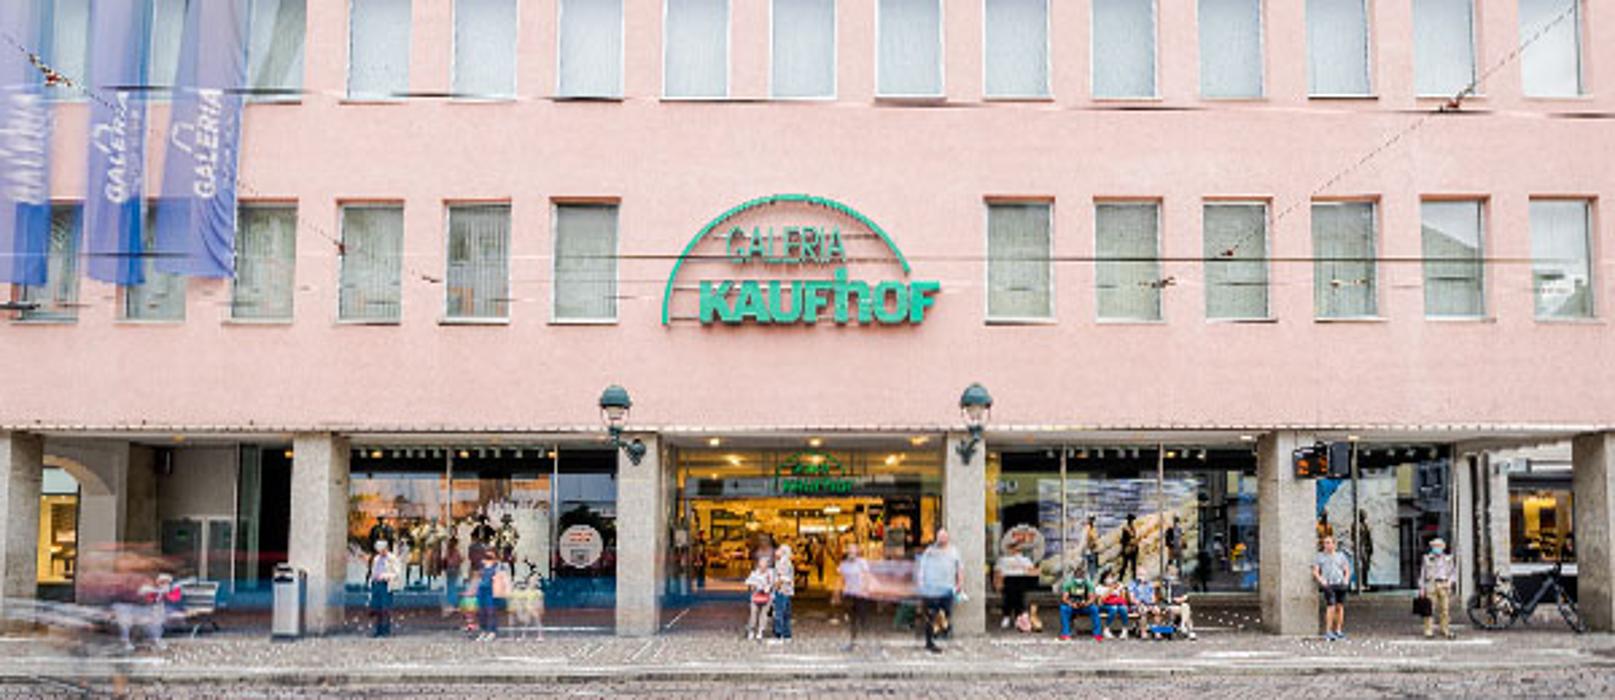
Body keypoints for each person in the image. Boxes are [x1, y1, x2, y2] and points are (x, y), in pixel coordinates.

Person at [915, 528, 963, 653]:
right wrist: (921, 583)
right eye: (940, 537)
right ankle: (930, 641)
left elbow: (959, 568)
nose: (942, 539)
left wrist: (959, 583)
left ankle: (940, 632)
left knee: (945, 613)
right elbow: (922, 568)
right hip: (932, 589)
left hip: (947, 588)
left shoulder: (954, 551)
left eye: (944, 537)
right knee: (931, 614)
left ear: (948, 537)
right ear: (936, 537)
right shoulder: (930, 551)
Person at [1313, 535, 1352, 641]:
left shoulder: (1340, 556)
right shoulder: (1320, 556)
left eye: (1329, 543)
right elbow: (1316, 571)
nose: (1327, 545)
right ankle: (1328, 631)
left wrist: (1346, 580)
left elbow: (1346, 569)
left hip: (1340, 583)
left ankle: (1338, 630)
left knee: (1340, 607)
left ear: (1334, 544)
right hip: (1329, 584)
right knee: (1331, 606)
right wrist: (1322, 580)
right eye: (1325, 543)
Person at [1419, 537, 1456, 639]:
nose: (1437, 548)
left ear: (1443, 547)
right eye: (1435, 546)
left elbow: (1453, 573)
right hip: (1431, 584)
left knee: (1445, 609)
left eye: (1439, 546)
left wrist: (1450, 582)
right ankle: (1428, 630)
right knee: (1429, 609)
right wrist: (1422, 588)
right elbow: (1423, 574)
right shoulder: (1427, 558)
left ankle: (1445, 628)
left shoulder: (1448, 559)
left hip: (1444, 584)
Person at [838, 543, 873, 650]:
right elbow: (840, 579)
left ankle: (868, 642)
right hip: (849, 594)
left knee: (863, 619)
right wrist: (837, 593)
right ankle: (853, 641)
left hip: (860, 594)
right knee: (852, 619)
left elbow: (867, 577)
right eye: (850, 551)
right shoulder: (844, 564)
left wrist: (865, 589)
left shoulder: (862, 563)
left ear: (857, 552)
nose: (851, 553)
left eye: (853, 551)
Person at [993, 545, 1034, 630]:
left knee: (1020, 600)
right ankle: (1006, 617)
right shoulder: (1003, 559)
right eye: (1013, 549)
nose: (1015, 552)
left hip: (1020, 580)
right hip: (1008, 580)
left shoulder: (1025, 559)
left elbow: (1030, 570)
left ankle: (1018, 619)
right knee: (1008, 599)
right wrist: (997, 583)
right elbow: (997, 571)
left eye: (1018, 550)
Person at [1057, 568, 1102, 641]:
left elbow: (1092, 598)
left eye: (1081, 577)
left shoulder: (1088, 584)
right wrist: (1071, 604)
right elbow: (1064, 598)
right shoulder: (1068, 584)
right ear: (1074, 577)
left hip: (1084, 606)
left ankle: (1097, 634)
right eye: (1077, 577)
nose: (1079, 580)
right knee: (1063, 609)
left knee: (1094, 609)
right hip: (1072, 606)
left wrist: (1086, 603)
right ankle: (1065, 633)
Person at [744, 554, 775, 641]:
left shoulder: (771, 573)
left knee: (763, 614)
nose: (762, 567)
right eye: (761, 565)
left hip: (767, 597)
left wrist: (768, 588)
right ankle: (751, 630)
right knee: (753, 614)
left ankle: (760, 631)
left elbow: (773, 584)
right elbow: (748, 583)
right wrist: (753, 586)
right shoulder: (754, 573)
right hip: (756, 597)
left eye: (764, 565)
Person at [474, 552, 504, 641]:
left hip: (491, 592)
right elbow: (478, 579)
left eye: (489, 558)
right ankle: (483, 631)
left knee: (491, 612)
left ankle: (492, 631)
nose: (487, 560)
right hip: (482, 591)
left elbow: (500, 579)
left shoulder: (497, 568)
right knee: (482, 612)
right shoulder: (482, 568)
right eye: (486, 558)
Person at [370, 540, 396, 638]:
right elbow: (374, 570)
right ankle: (378, 630)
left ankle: (386, 630)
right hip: (376, 584)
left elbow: (396, 573)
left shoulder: (392, 558)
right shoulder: (376, 558)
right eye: (379, 550)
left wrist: (385, 576)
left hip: (386, 584)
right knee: (376, 607)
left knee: (386, 607)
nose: (381, 552)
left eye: (382, 550)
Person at [771, 543, 796, 643]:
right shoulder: (788, 562)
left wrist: (775, 587)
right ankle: (787, 635)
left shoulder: (782, 563)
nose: (776, 551)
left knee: (779, 612)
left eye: (779, 550)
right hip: (788, 591)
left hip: (781, 590)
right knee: (786, 613)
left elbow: (781, 577)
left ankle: (779, 634)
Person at [1095, 571, 1131, 639]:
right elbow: (1100, 601)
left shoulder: (1117, 586)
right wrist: (1110, 590)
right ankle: (1106, 628)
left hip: (1117, 604)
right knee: (1113, 608)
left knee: (1123, 608)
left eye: (1111, 577)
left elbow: (1122, 599)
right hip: (1104, 605)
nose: (1110, 579)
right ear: (1104, 579)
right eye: (1108, 577)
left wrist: (1121, 590)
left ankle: (1124, 629)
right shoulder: (1099, 587)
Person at [1118, 515, 1140, 582]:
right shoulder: (1126, 529)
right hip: (1128, 549)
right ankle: (1120, 579)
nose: (1132, 521)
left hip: (1133, 549)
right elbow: (1123, 540)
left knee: (1133, 566)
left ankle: (1134, 578)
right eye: (1131, 520)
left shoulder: (1133, 528)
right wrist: (1124, 548)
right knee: (1125, 565)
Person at [1357, 510, 1375, 588]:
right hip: (1360, 547)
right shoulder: (1356, 525)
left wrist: (1371, 547)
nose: (1364, 517)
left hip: (1366, 547)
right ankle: (1360, 582)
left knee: (1366, 566)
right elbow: (1353, 537)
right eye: (1362, 515)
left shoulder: (1366, 525)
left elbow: (1369, 537)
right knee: (1361, 565)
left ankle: (1365, 582)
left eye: (1364, 515)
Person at [1083, 516, 1102, 581]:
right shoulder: (1087, 529)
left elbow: (1095, 538)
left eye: (1093, 519)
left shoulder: (1093, 528)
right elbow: (1087, 540)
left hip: (1094, 551)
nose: (1092, 521)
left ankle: (1093, 580)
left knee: (1094, 567)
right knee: (1091, 568)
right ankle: (1091, 581)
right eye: (1091, 519)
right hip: (1090, 551)